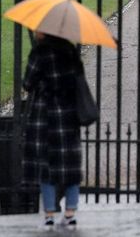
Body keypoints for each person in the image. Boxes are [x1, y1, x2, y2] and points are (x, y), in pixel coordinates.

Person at [23, 32, 86, 231]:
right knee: (70, 165)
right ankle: (70, 213)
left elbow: (28, 82)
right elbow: (78, 79)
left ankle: (49, 213)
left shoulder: (40, 53)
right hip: (67, 112)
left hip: (45, 113)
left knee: (46, 166)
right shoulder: (69, 51)